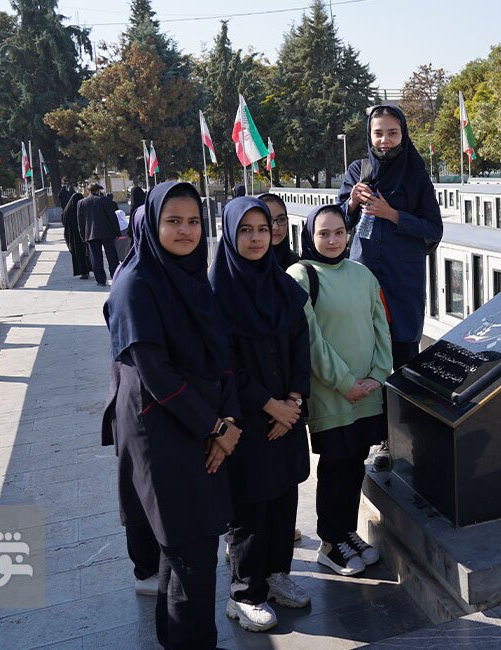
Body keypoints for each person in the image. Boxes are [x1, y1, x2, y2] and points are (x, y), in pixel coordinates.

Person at [103, 181, 242, 649]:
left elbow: (221, 353)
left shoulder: (192, 277)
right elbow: (156, 375)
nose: (185, 231)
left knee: (184, 549)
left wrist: (229, 420)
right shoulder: (136, 284)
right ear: (152, 225)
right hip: (161, 431)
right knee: (191, 554)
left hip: (203, 423)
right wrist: (215, 427)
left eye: (194, 221)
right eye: (173, 221)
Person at [210, 197, 311, 633]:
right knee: (249, 506)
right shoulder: (217, 293)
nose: (256, 238)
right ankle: (245, 593)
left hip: (286, 415)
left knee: (284, 496)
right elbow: (225, 364)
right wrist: (271, 405)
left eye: (263, 229)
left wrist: (294, 400)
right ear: (230, 234)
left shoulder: (281, 284)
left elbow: (300, 343)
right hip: (248, 419)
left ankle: (276, 574)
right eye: (245, 230)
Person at [287, 205, 392, 577]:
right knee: (334, 465)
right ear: (310, 236)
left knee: (354, 463)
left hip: (368, 392)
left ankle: (347, 533)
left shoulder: (363, 274)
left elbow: (381, 327)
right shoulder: (301, 275)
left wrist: (378, 375)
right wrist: (346, 383)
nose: (332, 240)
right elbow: (310, 339)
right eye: (323, 233)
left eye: (338, 232)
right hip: (331, 393)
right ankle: (330, 543)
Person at [338, 104, 442, 470]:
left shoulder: (416, 175)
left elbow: (433, 229)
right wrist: (352, 202)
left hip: (402, 282)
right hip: (364, 281)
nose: (385, 140)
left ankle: (404, 441)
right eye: (378, 133)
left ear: (403, 135)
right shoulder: (358, 171)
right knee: (366, 357)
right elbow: (336, 222)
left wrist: (392, 215)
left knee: (402, 356)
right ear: (369, 135)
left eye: (392, 133)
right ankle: (378, 436)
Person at [77, 183, 121, 286]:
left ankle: (100, 280)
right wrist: (117, 232)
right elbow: (112, 217)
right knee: (112, 256)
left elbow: (80, 222)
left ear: (88, 191)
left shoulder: (81, 203)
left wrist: (83, 236)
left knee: (96, 258)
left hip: (91, 234)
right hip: (107, 233)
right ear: (98, 190)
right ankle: (115, 277)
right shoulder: (105, 200)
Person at [258, 193, 299, 270]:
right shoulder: (245, 265)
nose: (275, 227)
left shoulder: (297, 265)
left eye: (281, 219)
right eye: (268, 220)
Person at [61, 191, 90, 279]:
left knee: (77, 254)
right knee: (87, 253)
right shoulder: (83, 208)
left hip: (72, 237)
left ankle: (82, 272)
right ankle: (88, 269)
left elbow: (63, 221)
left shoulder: (67, 210)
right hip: (84, 235)